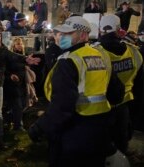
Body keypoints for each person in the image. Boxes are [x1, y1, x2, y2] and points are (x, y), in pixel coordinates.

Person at [28, 16, 124, 167]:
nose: (62, 37)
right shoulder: (101, 56)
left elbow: (62, 107)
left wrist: (39, 128)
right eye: (62, 33)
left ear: (84, 35)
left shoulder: (69, 61)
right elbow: (117, 93)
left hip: (74, 133)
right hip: (100, 132)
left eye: (69, 33)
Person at [99, 14, 144, 154]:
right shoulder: (134, 52)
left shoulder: (95, 53)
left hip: (100, 109)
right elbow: (140, 86)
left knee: (101, 149)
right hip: (125, 107)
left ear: (100, 30)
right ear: (119, 30)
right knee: (121, 146)